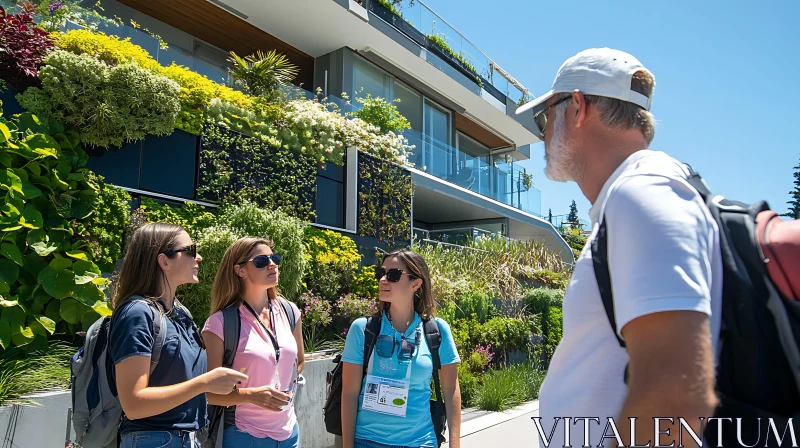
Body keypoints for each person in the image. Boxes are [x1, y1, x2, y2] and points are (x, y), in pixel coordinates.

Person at [515, 48, 722, 447]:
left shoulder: (641, 193)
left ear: (576, 107)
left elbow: (676, 399)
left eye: (545, 117)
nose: (542, 132)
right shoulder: (638, 195)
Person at [110, 222, 248, 448]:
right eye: (191, 251)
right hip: (154, 441)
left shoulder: (179, 313)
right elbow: (133, 404)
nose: (199, 257)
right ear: (164, 261)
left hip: (186, 438)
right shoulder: (137, 314)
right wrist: (204, 383)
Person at [340, 249, 462, 448]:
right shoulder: (362, 329)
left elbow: (451, 390)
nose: (383, 280)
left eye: (393, 275)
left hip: (421, 441)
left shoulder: (437, 331)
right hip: (368, 441)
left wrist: (455, 445)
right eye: (381, 273)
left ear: (416, 283)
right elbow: (349, 394)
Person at [202, 236, 305, 448]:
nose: (272, 265)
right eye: (261, 261)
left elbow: (299, 362)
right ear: (240, 271)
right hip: (245, 436)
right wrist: (251, 395)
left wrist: (286, 384)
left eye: (274, 258)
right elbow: (209, 393)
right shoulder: (220, 323)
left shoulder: (290, 311)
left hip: (289, 434)